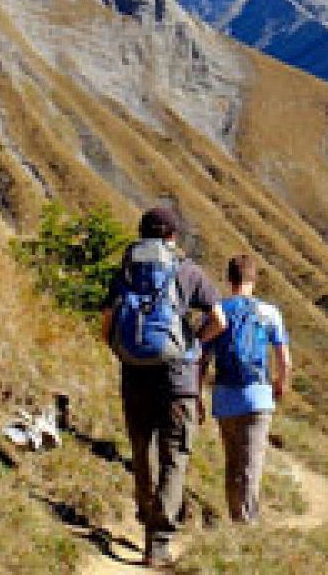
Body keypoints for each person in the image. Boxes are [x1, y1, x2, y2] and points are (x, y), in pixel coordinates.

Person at [102, 207, 225, 567]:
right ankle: (157, 544)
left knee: (141, 450)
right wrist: (195, 342)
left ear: (141, 233)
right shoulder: (188, 271)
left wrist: (122, 351)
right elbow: (219, 320)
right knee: (174, 458)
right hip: (178, 380)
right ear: (173, 236)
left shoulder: (125, 272)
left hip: (134, 376)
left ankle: (145, 512)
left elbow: (107, 322)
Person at [199, 254, 292, 524]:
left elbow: (201, 358)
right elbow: (285, 359)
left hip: (224, 398)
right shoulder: (269, 313)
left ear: (229, 279)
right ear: (254, 279)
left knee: (232, 463)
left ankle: (236, 519)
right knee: (251, 465)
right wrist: (280, 384)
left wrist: (197, 395)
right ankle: (247, 526)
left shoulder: (217, 311)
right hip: (258, 398)